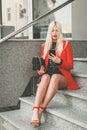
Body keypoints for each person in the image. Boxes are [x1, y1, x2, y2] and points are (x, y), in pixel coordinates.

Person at [30, 21, 80, 126]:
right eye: (52, 30)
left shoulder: (66, 44)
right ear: (49, 32)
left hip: (62, 77)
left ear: (60, 31)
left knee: (55, 77)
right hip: (48, 75)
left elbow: (70, 65)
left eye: (57, 30)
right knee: (45, 77)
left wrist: (60, 61)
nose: (54, 33)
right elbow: (43, 64)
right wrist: (40, 71)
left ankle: (41, 109)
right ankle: (35, 110)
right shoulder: (45, 45)